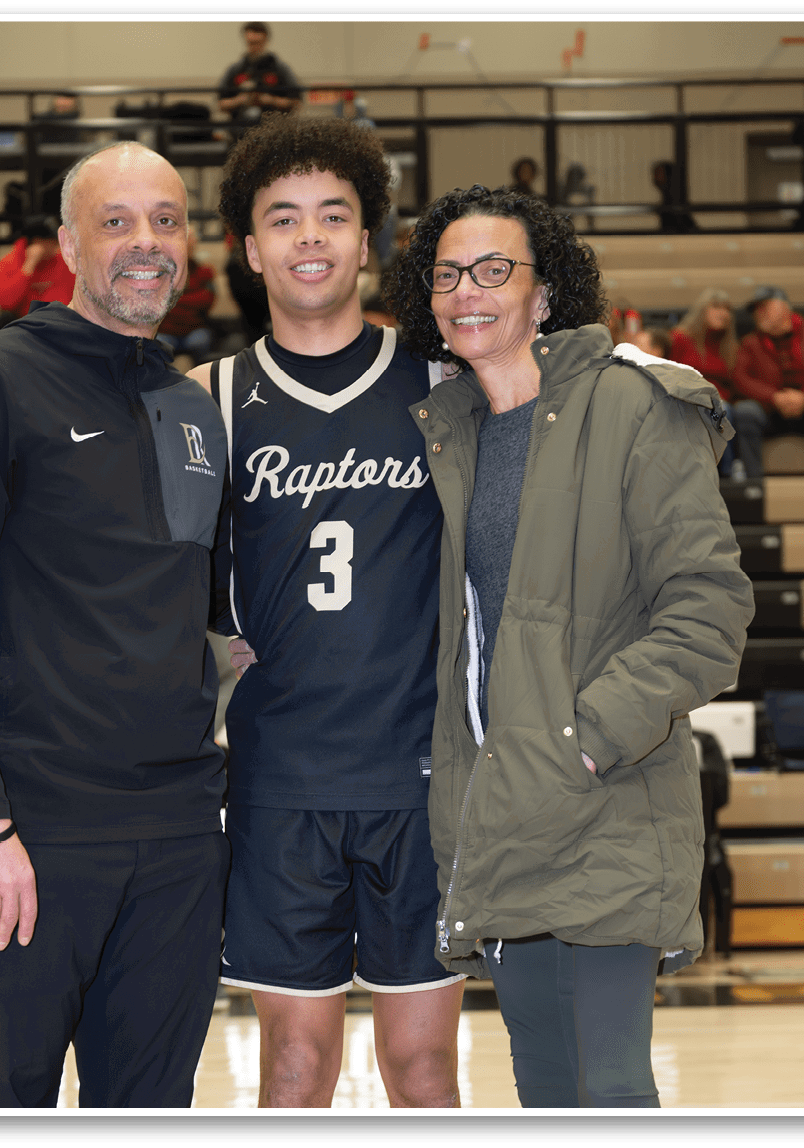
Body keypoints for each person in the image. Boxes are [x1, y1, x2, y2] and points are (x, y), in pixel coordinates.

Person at [384, 184, 753, 1108]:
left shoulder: (637, 405)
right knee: (544, 1086)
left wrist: (583, 736)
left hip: (604, 796)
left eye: (494, 269)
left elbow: (708, 609)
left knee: (612, 1085)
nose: (468, 290)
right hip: (498, 804)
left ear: (544, 292)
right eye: (447, 274)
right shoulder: (453, 430)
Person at [0, 141, 229, 1108]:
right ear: (67, 245)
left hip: (175, 836)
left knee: (150, 1104)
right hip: (30, 832)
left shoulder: (189, 405)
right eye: (116, 221)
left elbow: (193, 593)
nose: (146, 243)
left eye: (166, 220)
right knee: (5, 1095)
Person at [190, 114, 465, 1109]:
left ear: (368, 237)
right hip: (278, 782)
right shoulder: (208, 400)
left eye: (334, 217)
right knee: (294, 1068)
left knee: (426, 1067)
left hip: (420, 779)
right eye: (284, 218)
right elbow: (174, 596)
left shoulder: (442, 382)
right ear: (250, 246)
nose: (310, 238)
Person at [731, 286, 804, 479]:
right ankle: (753, 483)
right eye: (756, 310)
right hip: (770, 411)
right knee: (745, 412)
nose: (759, 314)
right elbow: (740, 378)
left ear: (784, 307)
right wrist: (774, 397)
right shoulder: (750, 343)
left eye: (764, 308)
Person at [670, 288, 740, 477]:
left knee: (724, 412)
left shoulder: (731, 347)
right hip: (687, 398)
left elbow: (736, 383)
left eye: (727, 309)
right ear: (701, 311)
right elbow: (671, 374)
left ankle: (725, 476)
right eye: (716, 307)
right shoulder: (680, 338)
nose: (723, 313)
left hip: (721, 401)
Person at [217, 22, 302, 133]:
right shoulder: (236, 69)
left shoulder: (280, 69)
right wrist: (241, 100)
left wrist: (270, 100)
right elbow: (221, 104)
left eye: (258, 43)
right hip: (240, 129)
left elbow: (296, 103)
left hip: (274, 129)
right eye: (250, 43)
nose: (254, 47)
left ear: (266, 41)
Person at [0, 213, 75, 326]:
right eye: (53, 241)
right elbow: (5, 304)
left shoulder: (65, 261)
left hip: (61, 324)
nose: (58, 245)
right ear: (37, 242)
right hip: (24, 327)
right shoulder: (9, 262)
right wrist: (28, 268)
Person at [156, 227, 216, 369]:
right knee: (157, 346)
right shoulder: (160, 272)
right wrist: (192, 299)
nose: (189, 245)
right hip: (166, 332)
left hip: (195, 330)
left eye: (191, 241)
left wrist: (177, 299)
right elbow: (160, 302)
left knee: (200, 342)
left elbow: (207, 300)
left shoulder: (204, 271)